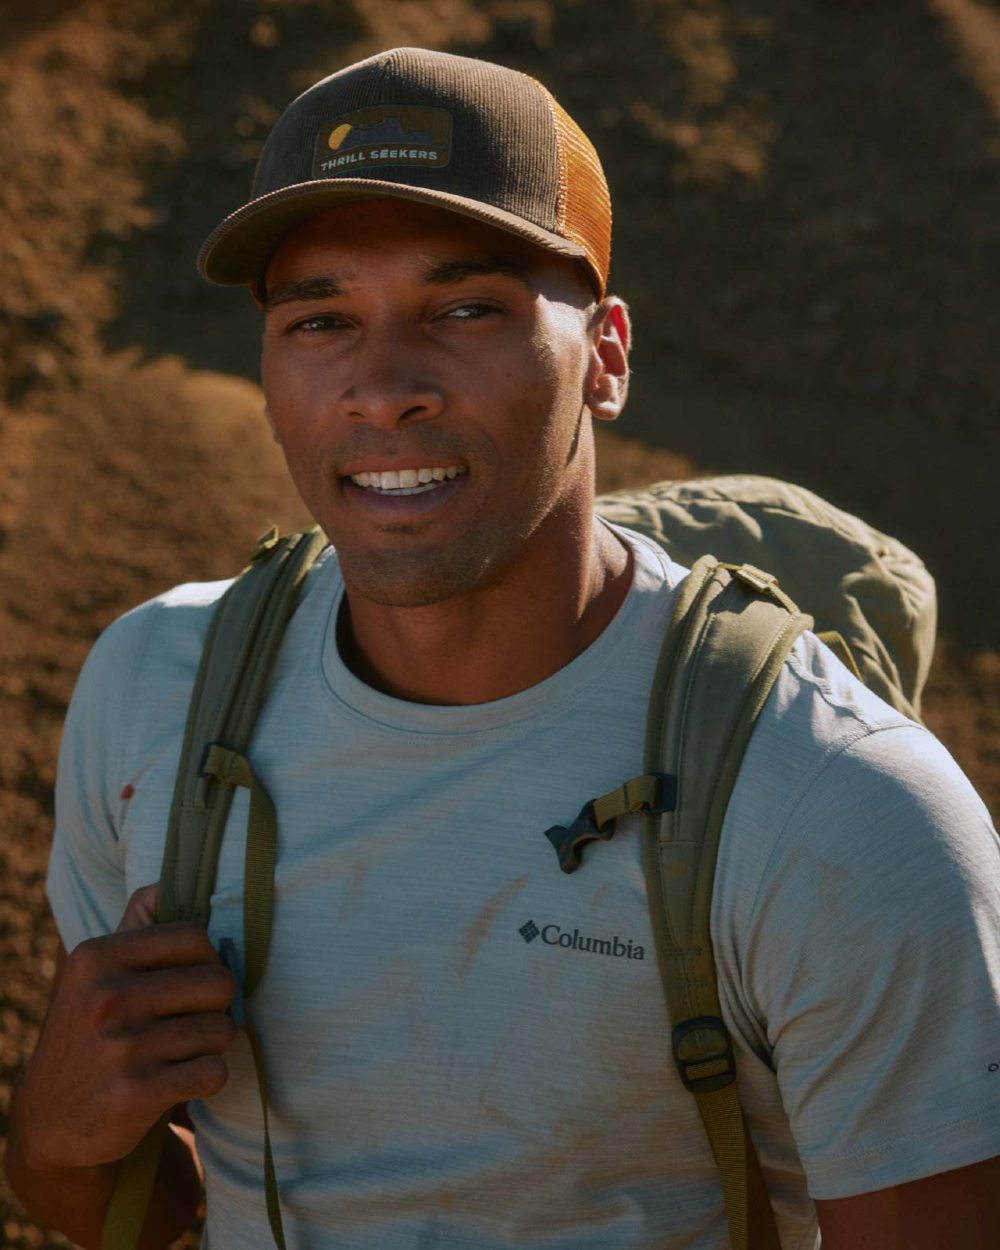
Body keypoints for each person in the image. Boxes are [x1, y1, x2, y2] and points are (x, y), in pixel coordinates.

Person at [5, 45, 1000, 1250]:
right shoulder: (153, 692)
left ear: (609, 357)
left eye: (466, 309)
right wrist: (57, 1137)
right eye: (319, 318)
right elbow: (132, 1208)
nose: (382, 388)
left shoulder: (837, 810)